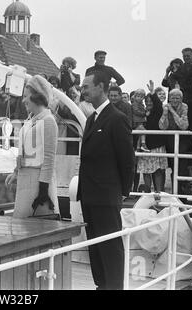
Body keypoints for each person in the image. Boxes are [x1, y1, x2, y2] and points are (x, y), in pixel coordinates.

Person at [77, 71, 134, 290]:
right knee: (94, 244)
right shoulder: (92, 118)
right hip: (89, 194)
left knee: (110, 245)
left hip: (106, 195)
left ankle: (114, 287)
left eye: (87, 87)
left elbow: (126, 160)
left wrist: (122, 192)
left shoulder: (117, 119)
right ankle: (101, 285)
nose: (84, 91)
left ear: (101, 87)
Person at [5, 75, 60, 218]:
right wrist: (16, 172)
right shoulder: (30, 121)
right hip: (25, 179)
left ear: (36, 96)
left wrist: (43, 189)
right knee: (22, 225)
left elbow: (49, 158)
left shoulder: (48, 120)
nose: (23, 100)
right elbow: (23, 152)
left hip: (39, 181)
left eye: (26, 96)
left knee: (39, 227)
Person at [136, 81, 168, 192]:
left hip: (157, 145)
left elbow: (158, 104)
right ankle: (148, 192)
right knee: (146, 171)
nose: (149, 103)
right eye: (147, 101)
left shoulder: (157, 111)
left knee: (158, 171)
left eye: (151, 101)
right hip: (145, 146)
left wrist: (152, 92)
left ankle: (159, 193)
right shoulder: (142, 113)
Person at [159, 88, 191, 195]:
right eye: (172, 97)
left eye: (177, 98)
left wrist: (172, 111)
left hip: (182, 140)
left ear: (181, 98)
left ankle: (182, 193)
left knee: (181, 168)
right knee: (173, 167)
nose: (175, 100)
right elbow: (162, 127)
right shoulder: (166, 107)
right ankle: (174, 193)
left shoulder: (184, 106)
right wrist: (164, 113)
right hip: (170, 140)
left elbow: (183, 126)